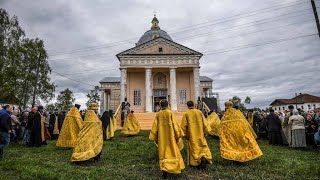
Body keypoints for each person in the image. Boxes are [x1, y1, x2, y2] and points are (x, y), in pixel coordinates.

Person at [149, 100, 185, 179]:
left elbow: (155, 126)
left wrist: (153, 136)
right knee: (173, 151)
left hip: (162, 138)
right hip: (170, 137)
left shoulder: (158, 114)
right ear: (168, 105)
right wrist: (178, 135)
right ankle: (174, 167)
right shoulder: (170, 113)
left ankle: (164, 170)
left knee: (163, 153)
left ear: (160, 106)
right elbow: (175, 125)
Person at [181, 101, 212, 170]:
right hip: (200, 133)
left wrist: (186, 135)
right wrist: (206, 132)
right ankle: (203, 157)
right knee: (202, 146)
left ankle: (195, 163)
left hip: (192, 135)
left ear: (187, 106)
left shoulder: (186, 113)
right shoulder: (199, 112)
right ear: (194, 105)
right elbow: (205, 123)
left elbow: (183, 126)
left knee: (194, 148)